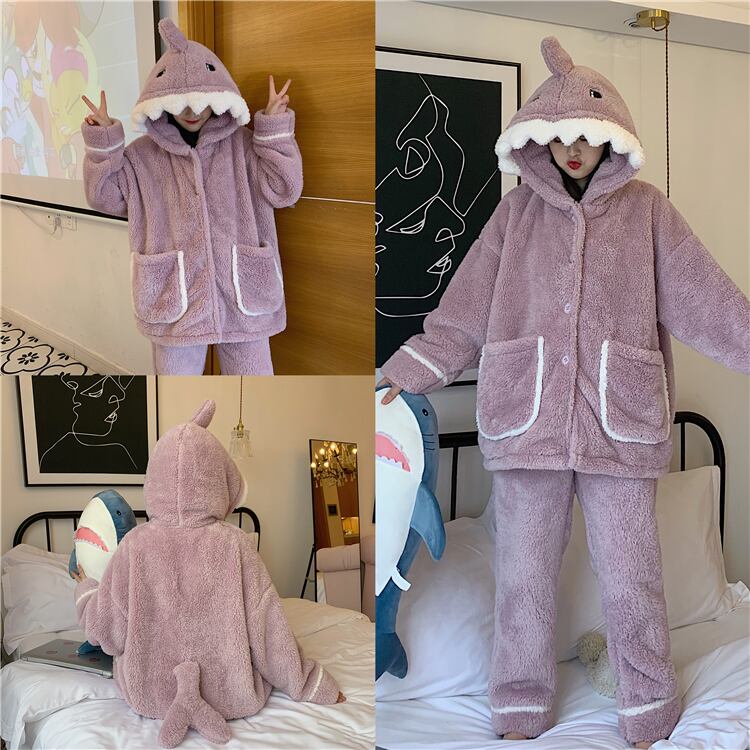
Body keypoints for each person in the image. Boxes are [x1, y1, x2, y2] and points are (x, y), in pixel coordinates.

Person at [378, 36, 749, 748]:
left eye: (586, 136)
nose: (573, 150)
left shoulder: (647, 212)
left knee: (634, 577)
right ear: (538, 139)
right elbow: (462, 312)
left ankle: (648, 706)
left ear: (612, 137)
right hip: (529, 421)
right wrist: (406, 375)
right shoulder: (515, 216)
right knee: (522, 579)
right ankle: (519, 707)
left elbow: (707, 299)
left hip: (621, 420)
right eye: (559, 136)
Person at [72, 400, 345, 749]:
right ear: (217, 479)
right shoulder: (236, 544)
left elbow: (105, 631)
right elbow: (269, 632)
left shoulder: (135, 545)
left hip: (150, 695)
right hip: (234, 695)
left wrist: (85, 589)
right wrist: (311, 683)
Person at [80, 18, 300, 375]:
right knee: (175, 385)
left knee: (255, 380)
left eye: (201, 101)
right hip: (173, 295)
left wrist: (274, 128)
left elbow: (284, 189)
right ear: (161, 102)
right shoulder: (142, 156)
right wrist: (104, 143)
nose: (193, 112)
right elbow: (105, 196)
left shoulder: (243, 145)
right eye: (181, 102)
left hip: (242, 292)